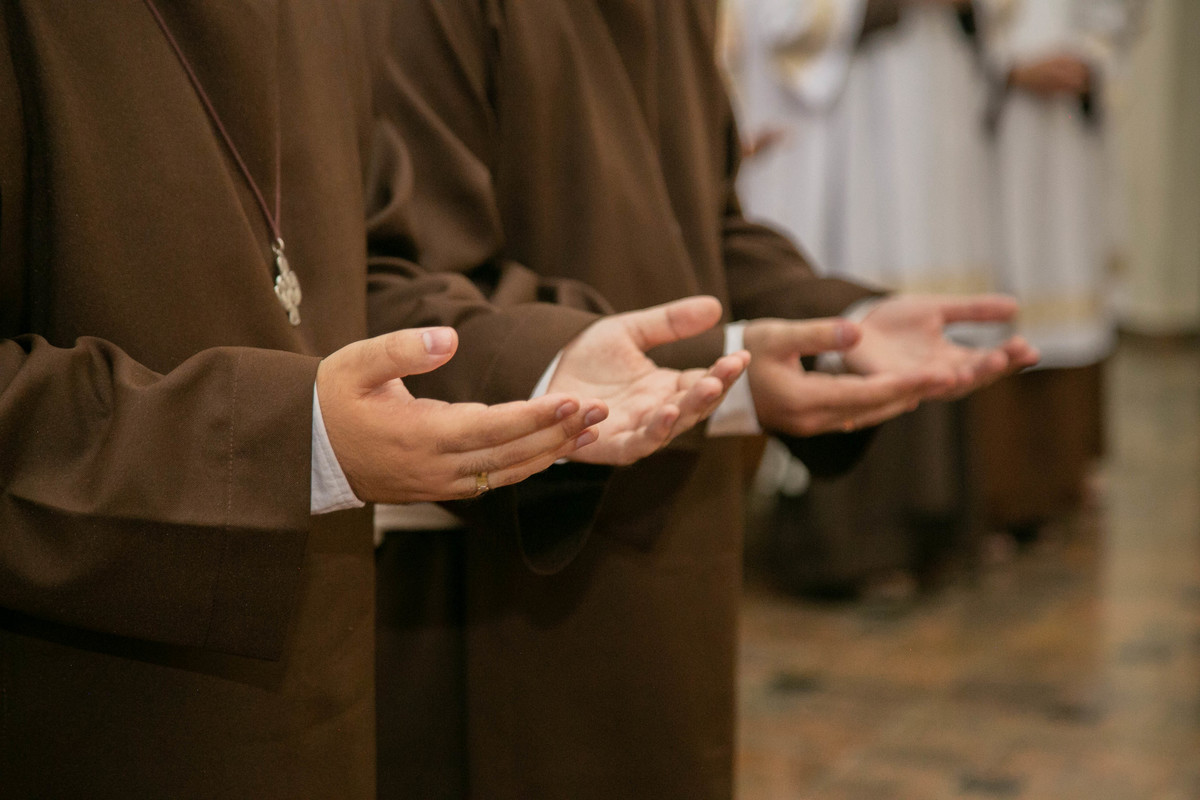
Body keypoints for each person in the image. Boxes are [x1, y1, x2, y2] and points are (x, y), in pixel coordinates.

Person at [0, 3, 749, 797]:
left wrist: (541, 364)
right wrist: (288, 441)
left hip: (315, 682)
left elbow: (374, 268)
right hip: (76, 701)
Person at [366, 1, 1039, 796]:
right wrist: (709, 363)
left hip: (679, 514)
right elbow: (406, 285)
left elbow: (708, 227)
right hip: (504, 555)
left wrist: (835, 322)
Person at [729, 0, 998, 594]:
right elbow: (784, 22)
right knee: (857, 307)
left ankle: (937, 529)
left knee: (932, 300)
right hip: (851, 139)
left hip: (936, 113)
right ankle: (857, 548)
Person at [969, 0, 1143, 540]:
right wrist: (1007, 66)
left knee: (1067, 279)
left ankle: (1063, 478)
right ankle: (996, 492)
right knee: (994, 293)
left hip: (1068, 129)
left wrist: (1090, 60)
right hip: (990, 131)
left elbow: (1118, 15)